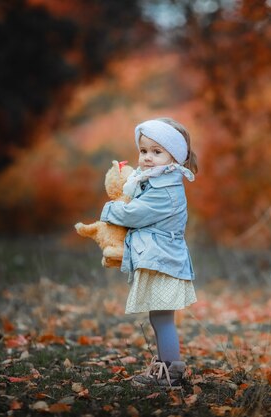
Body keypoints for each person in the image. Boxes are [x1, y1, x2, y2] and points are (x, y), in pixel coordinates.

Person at [100, 117, 198, 388]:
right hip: (160, 259)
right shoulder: (153, 181)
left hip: (164, 261)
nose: (147, 158)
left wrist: (109, 209)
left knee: (163, 317)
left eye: (157, 152)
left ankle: (171, 373)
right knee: (159, 316)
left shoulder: (165, 190)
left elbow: (134, 214)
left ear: (173, 157)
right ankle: (167, 368)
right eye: (144, 151)